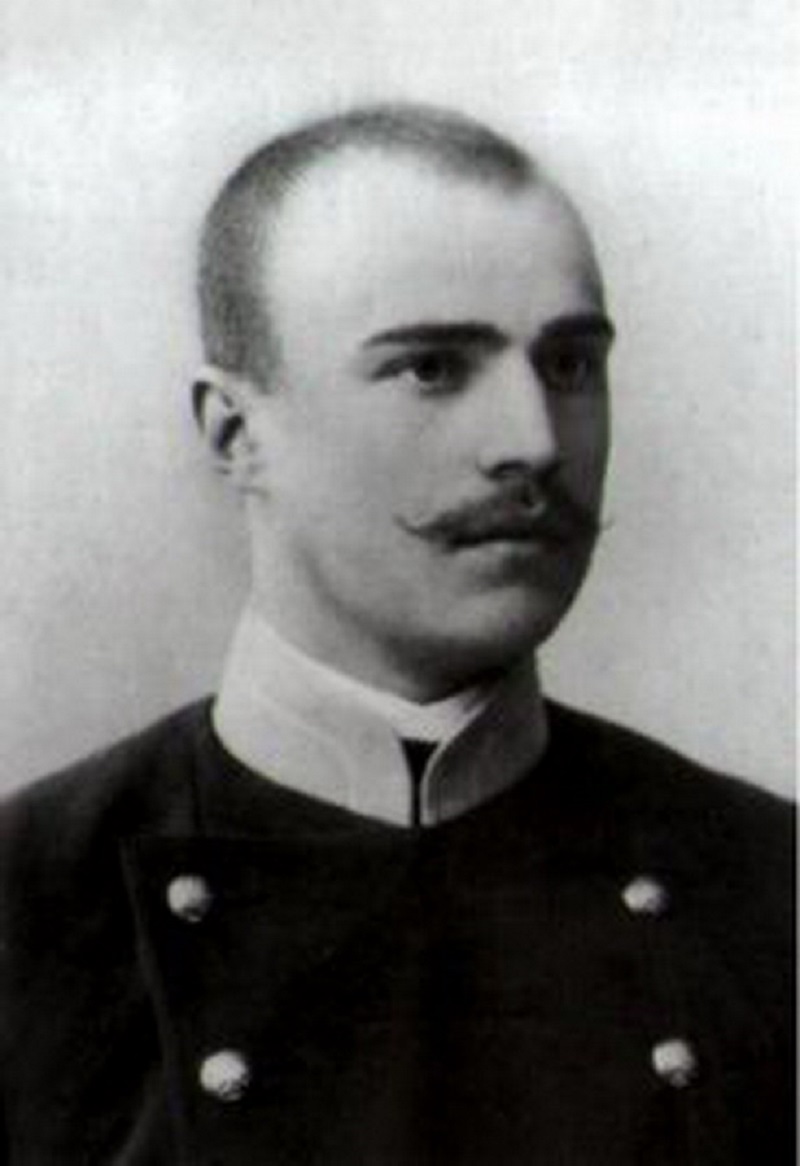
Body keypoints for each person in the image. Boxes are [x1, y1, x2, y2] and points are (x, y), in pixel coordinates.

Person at [0, 103, 793, 1165]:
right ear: (236, 433)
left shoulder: (771, 886)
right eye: (431, 368)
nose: (534, 443)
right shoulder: (26, 909)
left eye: (568, 365)